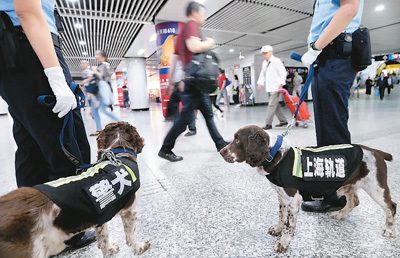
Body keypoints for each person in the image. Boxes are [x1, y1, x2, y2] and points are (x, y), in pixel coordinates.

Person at [0, 0, 95, 250]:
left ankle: (31, 229)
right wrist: (55, 76)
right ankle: (66, 231)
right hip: (30, 48)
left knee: (31, 147)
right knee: (64, 144)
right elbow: (28, 12)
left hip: (11, 52)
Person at [300, 0, 364, 213]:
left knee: (332, 129)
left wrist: (316, 47)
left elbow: (350, 8)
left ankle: (338, 195)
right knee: (328, 127)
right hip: (329, 57)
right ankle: (337, 190)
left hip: (334, 54)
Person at [158, 1, 229, 162]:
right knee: (184, 120)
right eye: (202, 13)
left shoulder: (184, 29)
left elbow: (176, 58)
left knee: (208, 115)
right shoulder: (191, 25)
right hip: (193, 83)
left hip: (193, 82)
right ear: (195, 12)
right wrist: (210, 42)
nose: (203, 17)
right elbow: (195, 47)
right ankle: (165, 149)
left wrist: (170, 82)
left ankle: (219, 143)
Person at [165, 33, 197, 136]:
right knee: (174, 105)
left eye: (177, 40)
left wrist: (183, 81)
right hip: (176, 84)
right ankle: (178, 127)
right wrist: (170, 83)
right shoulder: (174, 54)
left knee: (188, 107)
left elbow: (186, 68)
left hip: (185, 83)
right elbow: (173, 69)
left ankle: (192, 129)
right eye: (173, 40)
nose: (175, 42)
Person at [257, 45, 288, 130]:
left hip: (276, 87)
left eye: (266, 53)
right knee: (275, 105)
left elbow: (283, 72)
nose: (264, 55)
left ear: (271, 52)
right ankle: (283, 121)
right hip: (269, 87)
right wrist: (260, 83)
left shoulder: (276, 61)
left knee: (271, 105)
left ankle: (268, 123)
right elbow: (262, 74)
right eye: (263, 53)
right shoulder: (264, 63)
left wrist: (281, 83)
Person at [89, 50, 119, 136]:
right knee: (94, 111)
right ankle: (98, 129)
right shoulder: (99, 66)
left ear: (104, 57)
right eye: (95, 54)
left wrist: (94, 71)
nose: (96, 56)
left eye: (98, 54)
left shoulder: (105, 65)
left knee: (104, 111)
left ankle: (121, 123)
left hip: (101, 93)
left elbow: (104, 78)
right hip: (96, 92)